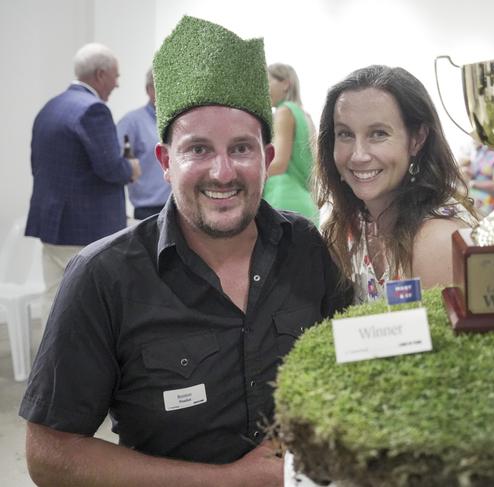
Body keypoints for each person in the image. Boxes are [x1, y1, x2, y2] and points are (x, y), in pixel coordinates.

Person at [20, 16, 351, 486]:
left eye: (241, 148)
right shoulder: (103, 277)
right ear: (164, 163)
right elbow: (49, 456)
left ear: (268, 158)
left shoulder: (307, 250)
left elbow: (351, 371)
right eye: (197, 149)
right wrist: (232, 480)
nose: (222, 172)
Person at [316, 65, 478, 303]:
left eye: (378, 133)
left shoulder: (437, 240)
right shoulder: (349, 229)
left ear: (417, 139)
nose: (358, 155)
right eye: (345, 134)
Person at [25, 43, 141, 323]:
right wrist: (132, 168)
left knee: (54, 301)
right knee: (89, 309)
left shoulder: (50, 107)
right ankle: (79, 367)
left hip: (52, 225)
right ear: (100, 74)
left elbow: (39, 164)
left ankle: (49, 366)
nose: (117, 83)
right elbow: (110, 168)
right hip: (85, 230)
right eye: (116, 75)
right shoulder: (93, 110)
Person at [263, 63, 319, 225]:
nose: (264, 89)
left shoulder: (284, 111)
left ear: (285, 84)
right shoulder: (306, 116)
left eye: (268, 82)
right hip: (306, 204)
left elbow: (279, 163)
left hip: (281, 200)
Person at [117, 67, 171, 220]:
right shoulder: (131, 123)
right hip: (149, 212)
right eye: (164, 85)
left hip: (182, 207)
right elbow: (116, 167)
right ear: (150, 90)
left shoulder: (181, 121)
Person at [457, 138, 494, 216]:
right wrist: (468, 172)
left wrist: (474, 184)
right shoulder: (479, 152)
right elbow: (476, 172)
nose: (473, 139)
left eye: (475, 137)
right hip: (472, 197)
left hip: (488, 201)